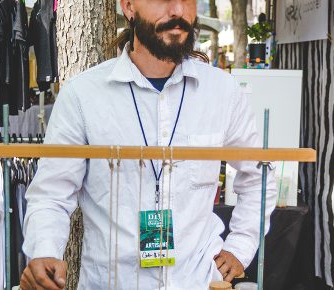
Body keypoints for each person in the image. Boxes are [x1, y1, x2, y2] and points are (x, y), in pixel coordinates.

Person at [20, 0, 277, 289]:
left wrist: (240, 246)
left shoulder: (223, 92)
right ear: (129, 7)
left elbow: (258, 177)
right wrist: (44, 251)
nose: (178, 10)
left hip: (196, 280)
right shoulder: (83, 96)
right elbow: (52, 193)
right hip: (112, 283)